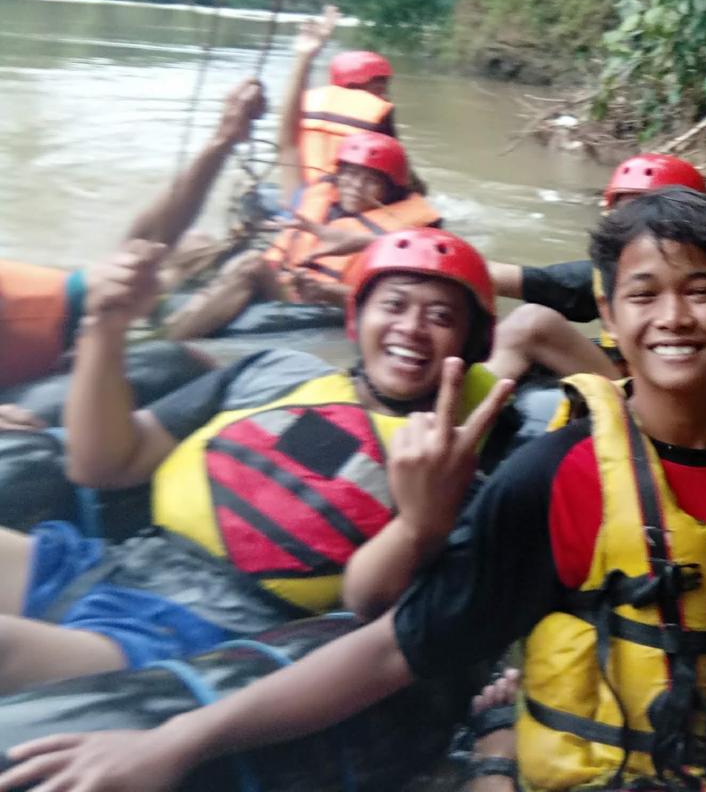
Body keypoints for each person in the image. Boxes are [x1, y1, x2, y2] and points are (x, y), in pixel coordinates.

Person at [0, 188, 706, 792]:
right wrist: (178, 741)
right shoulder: (555, 477)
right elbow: (390, 650)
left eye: (701, 291)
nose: (673, 316)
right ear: (607, 317)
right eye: (644, 294)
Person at [0, 227, 512, 695]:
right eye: (394, 305)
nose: (412, 328)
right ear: (358, 317)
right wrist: (105, 333)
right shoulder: (274, 372)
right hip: (113, 562)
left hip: (200, 634)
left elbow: (366, 603)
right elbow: (104, 465)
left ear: (468, 347)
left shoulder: (450, 462)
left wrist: (420, 526)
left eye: (440, 317)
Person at [0, 79, 266, 409]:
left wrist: (221, 142)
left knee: (169, 357)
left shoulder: (30, 301)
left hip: (53, 359)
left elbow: (142, 248)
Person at [486, 153, 706, 398]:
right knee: (529, 323)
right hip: (632, 387)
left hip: (705, 392)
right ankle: (460, 423)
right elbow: (502, 276)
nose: (644, 234)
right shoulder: (603, 277)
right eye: (627, 220)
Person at [161, 131, 440, 340]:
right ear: (338, 175)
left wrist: (329, 290)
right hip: (285, 279)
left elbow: (388, 301)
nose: (355, 186)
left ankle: (166, 338)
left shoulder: (407, 238)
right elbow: (289, 148)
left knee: (251, 264)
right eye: (350, 175)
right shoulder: (321, 198)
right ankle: (146, 306)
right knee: (192, 240)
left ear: (390, 191)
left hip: (313, 307)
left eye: (371, 180)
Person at [274, 6, 412, 189]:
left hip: (304, 194)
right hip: (343, 200)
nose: (384, 96)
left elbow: (286, 143)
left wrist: (304, 57)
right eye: (379, 89)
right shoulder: (377, 112)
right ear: (353, 86)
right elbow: (399, 171)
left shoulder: (306, 101)